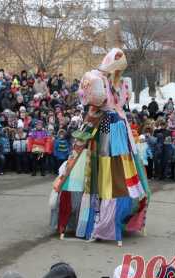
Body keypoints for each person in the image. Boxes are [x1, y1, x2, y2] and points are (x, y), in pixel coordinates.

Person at [50, 48, 150, 246]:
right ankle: (97, 222)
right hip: (105, 130)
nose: (117, 72)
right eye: (116, 67)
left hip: (116, 131)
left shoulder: (118, 84)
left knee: (115, 173)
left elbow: (112, 106)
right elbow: (95, 106)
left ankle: (110, 221)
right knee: (101, 171)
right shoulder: (99, 80)